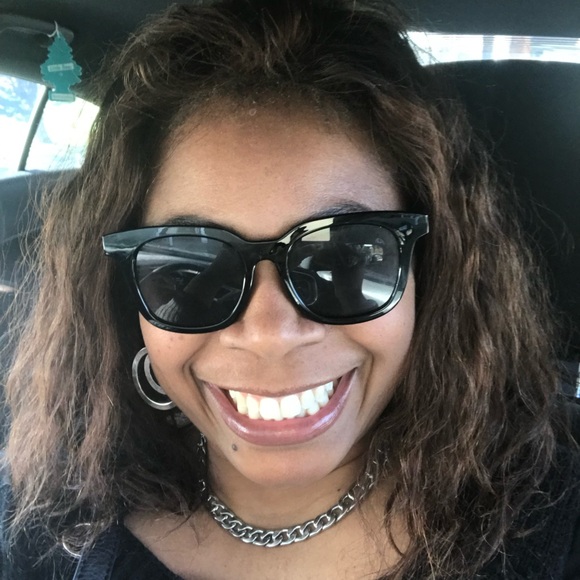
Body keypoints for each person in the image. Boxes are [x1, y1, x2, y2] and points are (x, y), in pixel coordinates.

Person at [1, 0, 579, 578]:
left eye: (343, 259)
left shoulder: (553, 512)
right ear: (125, 302)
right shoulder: (38, 523)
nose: (270, 334)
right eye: (191, 272)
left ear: (431, 277)